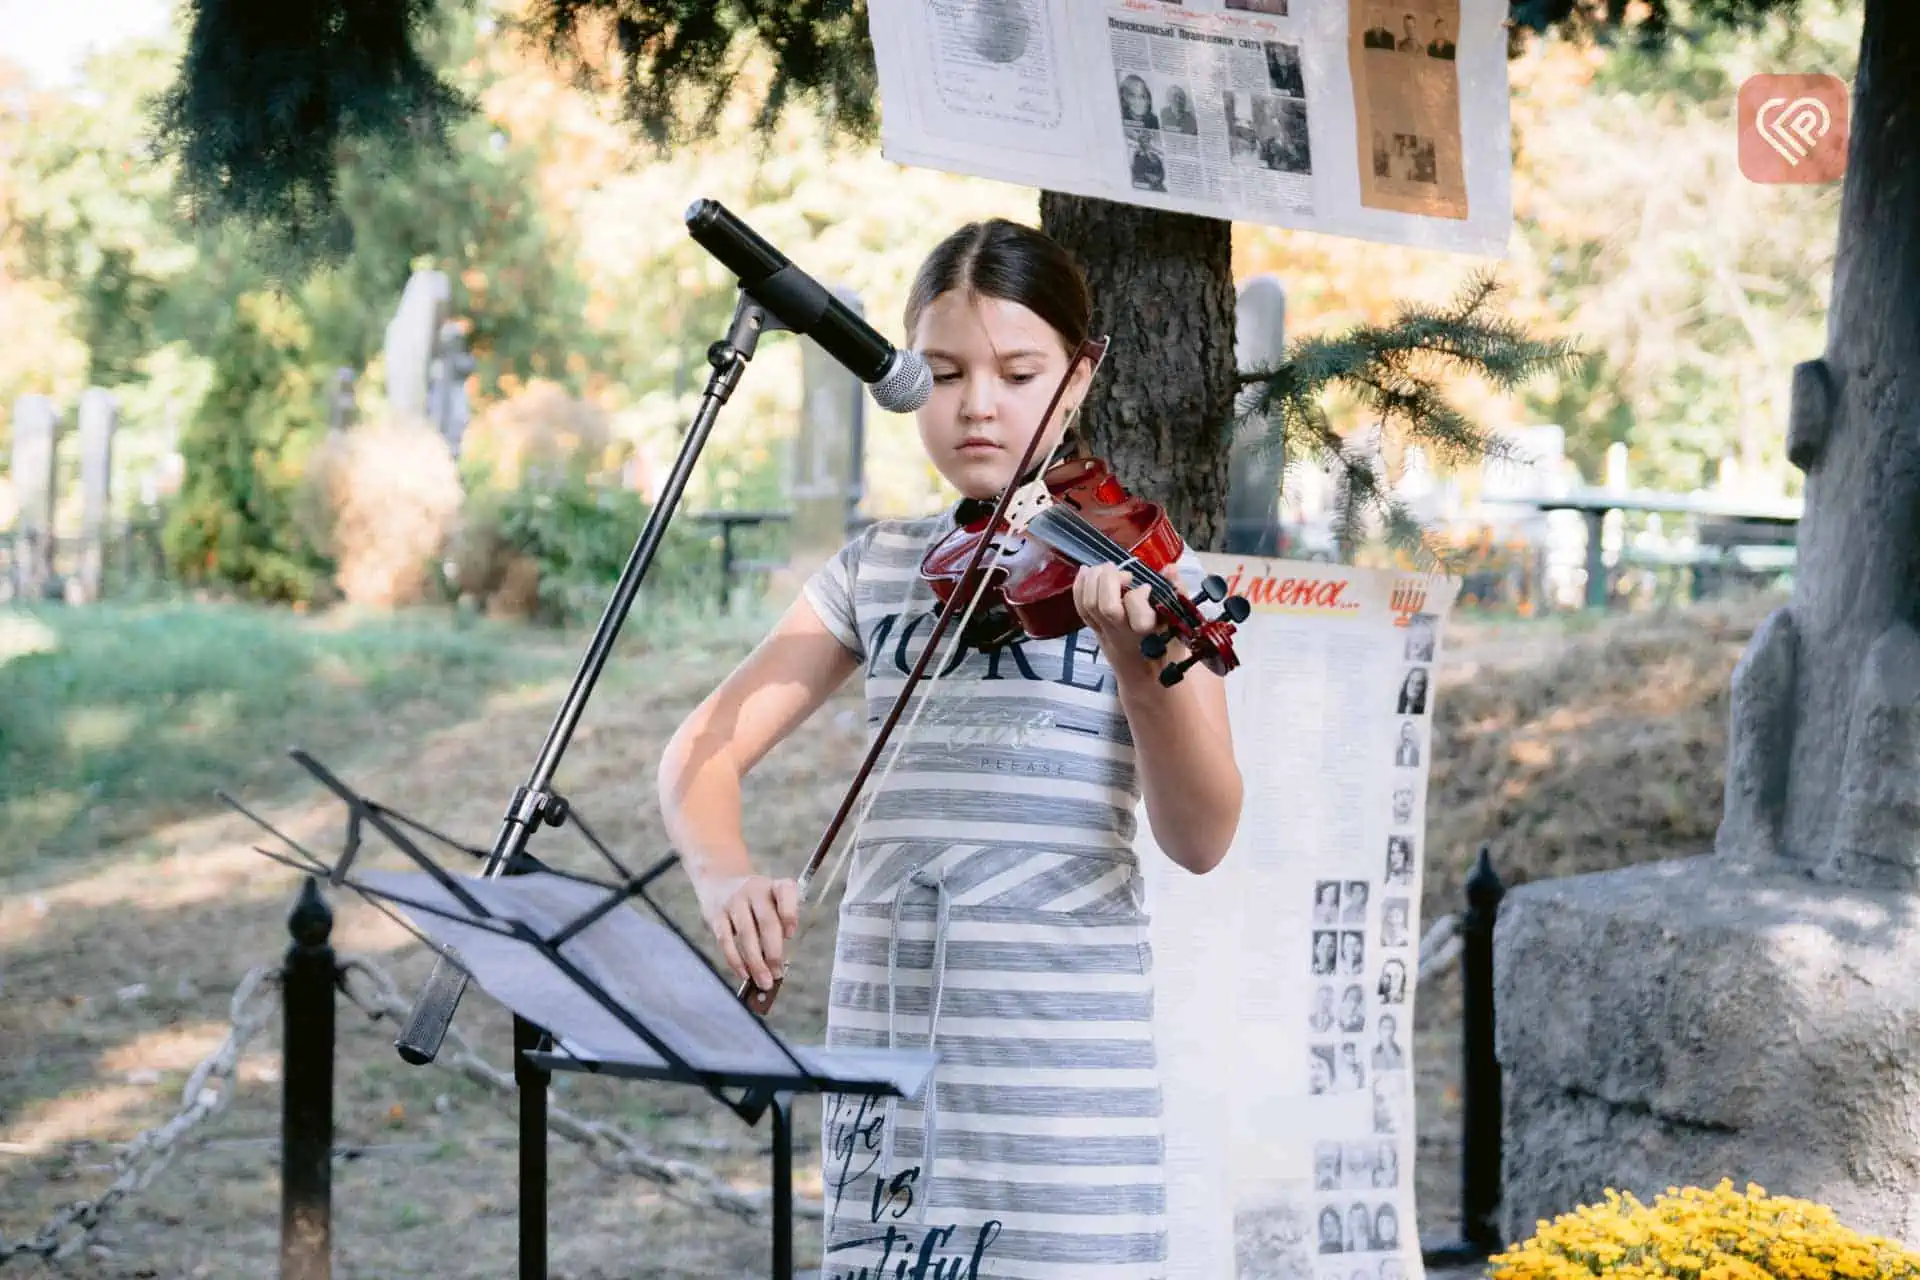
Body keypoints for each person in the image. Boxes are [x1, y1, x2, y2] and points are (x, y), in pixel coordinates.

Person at [657, 216, 1244, 1278]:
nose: (978, 403)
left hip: (1059, 1062)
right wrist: (724, 872)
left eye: (1019, 372)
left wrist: (1135, 670)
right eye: (943, 371)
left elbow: (1203, 834)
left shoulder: (1152, 576)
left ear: (1079, 376)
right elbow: (702, 745)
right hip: (889, 1040)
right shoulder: (881, 569)